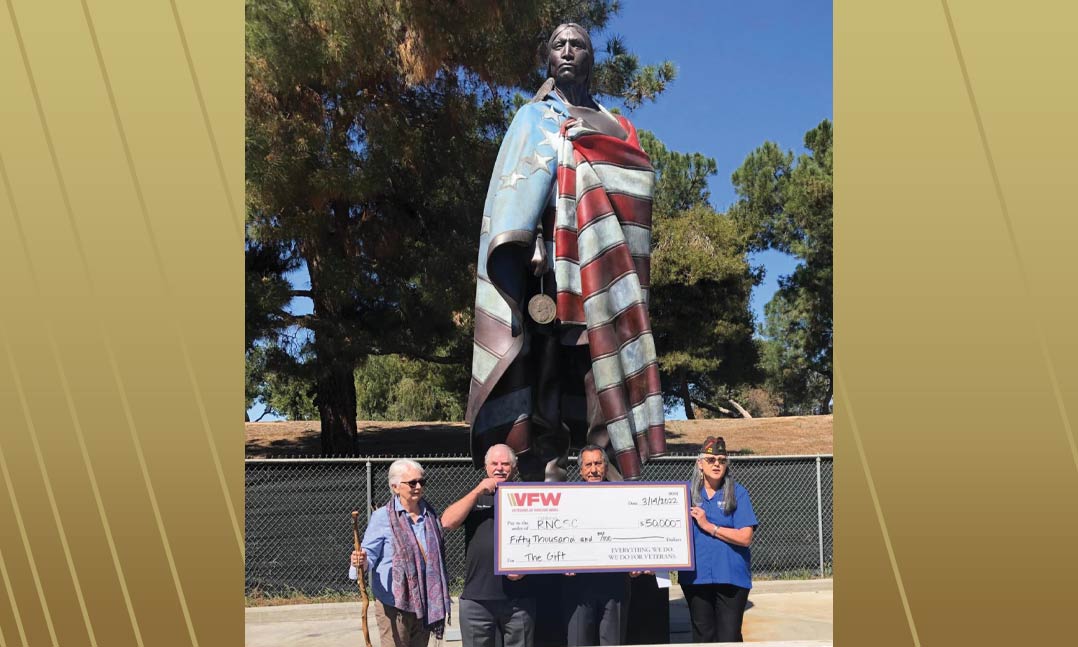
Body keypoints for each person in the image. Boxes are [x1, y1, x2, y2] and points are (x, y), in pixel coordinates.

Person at [466, 22, 666, 483]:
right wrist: (531, 240)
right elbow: (513, 194)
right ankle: (547, 462)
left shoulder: (618, 126)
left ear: (592, 58)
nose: (570, 51)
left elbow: (638, 178)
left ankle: (603, 461)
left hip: (606, 264)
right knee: (547, 362)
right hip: (550, 267)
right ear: (548, 59)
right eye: (560, 45)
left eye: (579, 44)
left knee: (599, 361)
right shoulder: (533, 118)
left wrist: (591, 152)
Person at [349, 459, 450, 647]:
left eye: (421, 482)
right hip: (394, 604)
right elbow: (369, 555)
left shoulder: (430, 515)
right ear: (395, 487)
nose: (418, 486)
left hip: (426, 601)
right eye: (412, 483)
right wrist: (360, 561)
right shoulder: (383, 517)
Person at [442, 444, 535, 647]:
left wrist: (528, 566)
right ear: (486, 467)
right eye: (494, 463)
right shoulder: (474, 495)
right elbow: (447, 522)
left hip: (519, 600)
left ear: (515, 467)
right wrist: (477, 491)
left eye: (505, 464)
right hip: (477, 599)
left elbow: (544, 539)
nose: (499, 468)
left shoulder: (530, 495)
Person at [679, 437, 759, 643]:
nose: (717, 464)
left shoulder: (738, 493)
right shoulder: (684, 493)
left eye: (722, 460)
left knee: (729, 637)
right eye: (711, 459)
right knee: (703, 637)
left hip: (731, 577)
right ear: (700, 463)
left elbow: (745, 537)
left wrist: (709, 526)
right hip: (696, 578)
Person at [560, 445, 638, 646]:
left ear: (605, 467)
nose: (593, 469)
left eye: (598, 463)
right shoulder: (565, 500)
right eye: (588, 465)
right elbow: (557, 537)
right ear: (580, 471)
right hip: (578, 587)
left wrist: (638, 561)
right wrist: (561, 562)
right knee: (578, 641)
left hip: (615, 584)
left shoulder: (625, 498)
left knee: (613, 641)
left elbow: (634, 532)